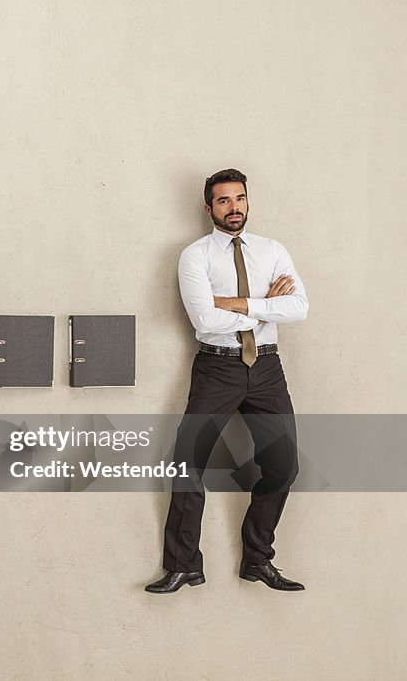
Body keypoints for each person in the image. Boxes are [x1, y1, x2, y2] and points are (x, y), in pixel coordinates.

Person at [145, 169, 308, 594]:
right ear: (209, 208)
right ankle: (183, 565)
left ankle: (258, 559)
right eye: (223, 201)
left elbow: (299, 308)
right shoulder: (194, 256)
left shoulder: (273, 250)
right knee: (187, 460)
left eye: (239, 199)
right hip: (218, 368)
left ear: (247, 202)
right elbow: (204, 318)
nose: (234, 207)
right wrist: (266, 305)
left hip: (267, 369)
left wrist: (236, 303)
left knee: (284, 464)